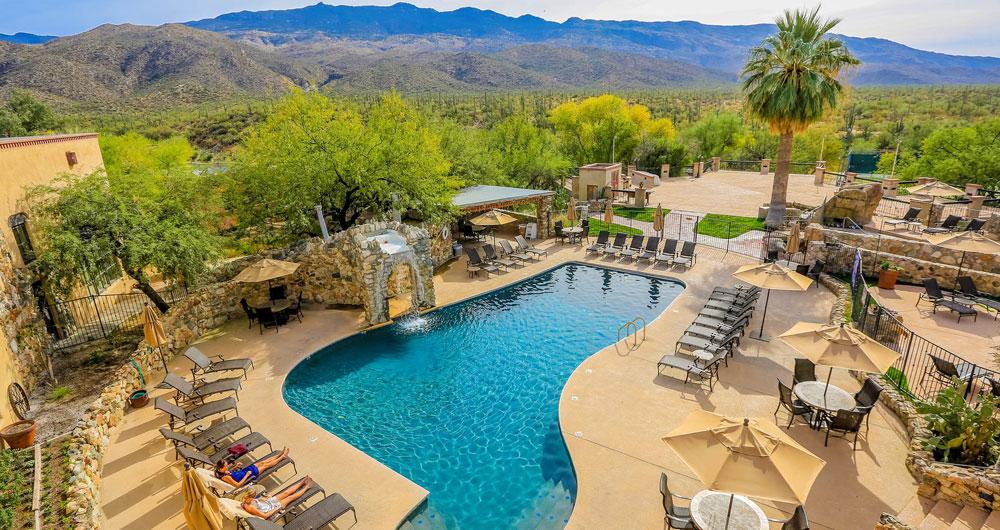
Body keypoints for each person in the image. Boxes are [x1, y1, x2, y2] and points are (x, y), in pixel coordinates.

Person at [241, 477, 315, 519]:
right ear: (249, 496)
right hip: (272, 508)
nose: (254, 498)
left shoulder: (246, 499)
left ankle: (302, 482)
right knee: (290, 497)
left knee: (285, 493)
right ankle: (307, 487)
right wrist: (276, 509)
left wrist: (262, 499)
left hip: (268, 502)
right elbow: (265, 516)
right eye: (253, 497)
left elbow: (257, 502)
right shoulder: (250, 507)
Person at [214, 447, 289, 487]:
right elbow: (237, 485)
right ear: (221, 468)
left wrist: (235, 467)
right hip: (249, 475)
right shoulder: (225, 477)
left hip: (244, 471)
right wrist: (247, 475)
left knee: (262, 462)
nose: (227, 467)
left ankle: (279, 454)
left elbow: (230, 472)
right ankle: (282, 457)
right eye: (226, 466)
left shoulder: (221, 471)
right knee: (266, 465)